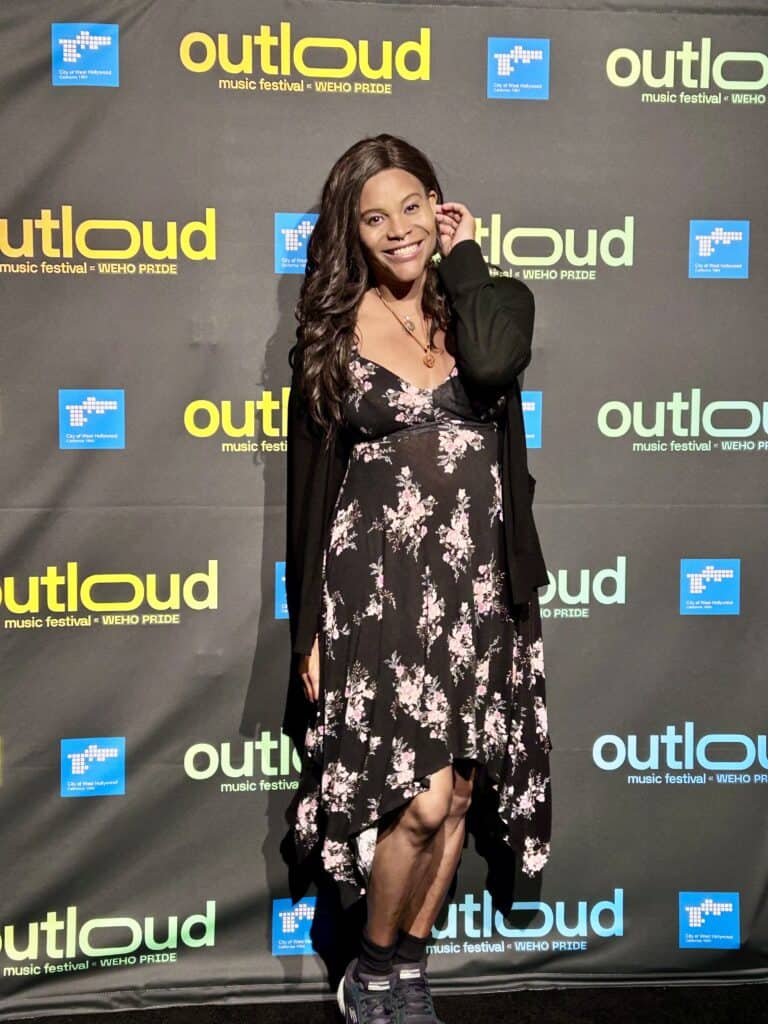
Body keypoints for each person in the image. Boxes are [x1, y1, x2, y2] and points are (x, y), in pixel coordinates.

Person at [284, 133, 552, 1024]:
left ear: (438, 208)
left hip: (480, 588)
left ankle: (409, 973)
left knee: (465, 794)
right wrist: (308, 629)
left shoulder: (489, 302)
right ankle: (369, 964)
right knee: (421, 801)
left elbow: (490, 365)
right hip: (379, 590)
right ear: (351, 233)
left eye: (411, 207)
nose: (396, 230)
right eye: (374, 218)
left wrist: (465, 255)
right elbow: (309, 493)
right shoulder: (329, 334)